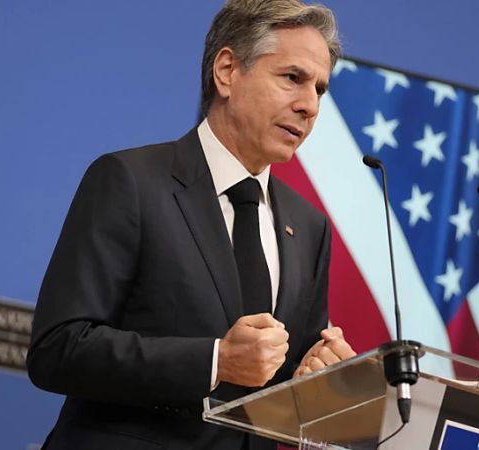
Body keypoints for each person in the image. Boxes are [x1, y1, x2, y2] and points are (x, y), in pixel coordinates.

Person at [27, 1, 356, 448]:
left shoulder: (309, 226)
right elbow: (59, 348)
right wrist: (214, 360)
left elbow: (276, 391)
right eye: (292, 78)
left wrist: (313, 379)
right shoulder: (132, 181)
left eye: (320, 89)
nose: (309, 106)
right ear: (227, 71)